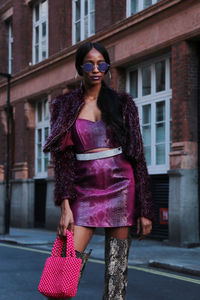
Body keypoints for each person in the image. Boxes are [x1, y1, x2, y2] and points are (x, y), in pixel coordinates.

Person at [43, 41, 154, 300]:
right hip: (83, 191)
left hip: (121, 189)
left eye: (102, 64)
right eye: (89, 64)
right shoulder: (63, 105)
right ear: (79, 68)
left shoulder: (123, 103)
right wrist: (65, 205)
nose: (96, 69)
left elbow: (138, 156)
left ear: (107, 68)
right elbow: (63, 159)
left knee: (116, 277)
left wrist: (145, 209)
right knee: (63, 274)